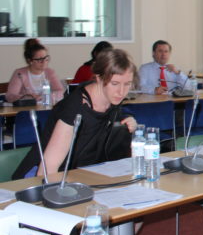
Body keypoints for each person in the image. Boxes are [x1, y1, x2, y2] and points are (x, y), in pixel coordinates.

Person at [13, 49, 138, 179]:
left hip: (80, 174)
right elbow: (47, 170)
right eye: (115, 84)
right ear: (98, 78)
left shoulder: (112, 100)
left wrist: (127, 120)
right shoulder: (75, 107)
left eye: (127, 84)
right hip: (39, 177)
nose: (121, 92)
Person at [6, 38, 65, 103]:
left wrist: (47, 96)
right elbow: (10, 96)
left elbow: (60, 91)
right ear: (30, 61)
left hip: (47, 107)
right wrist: (27, 97)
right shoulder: (20, 74)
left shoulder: (50, 72)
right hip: (27, 108)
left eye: (46, 58)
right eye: (40, 59)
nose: (44, 62)